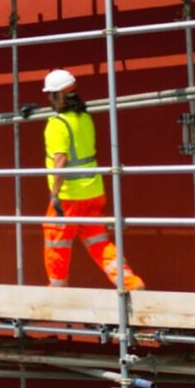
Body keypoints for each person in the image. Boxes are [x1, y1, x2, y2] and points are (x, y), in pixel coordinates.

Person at [37, 68, 143, 291]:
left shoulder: (57, 124)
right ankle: (130, 283)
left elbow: (60, 161)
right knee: (99, 242)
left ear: (59, 95)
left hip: (68, 196)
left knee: (56, 242)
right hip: (93, 192)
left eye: (50, 94)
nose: (48, 99)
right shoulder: (85, 118)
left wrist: (54, 194)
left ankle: (57, 289)